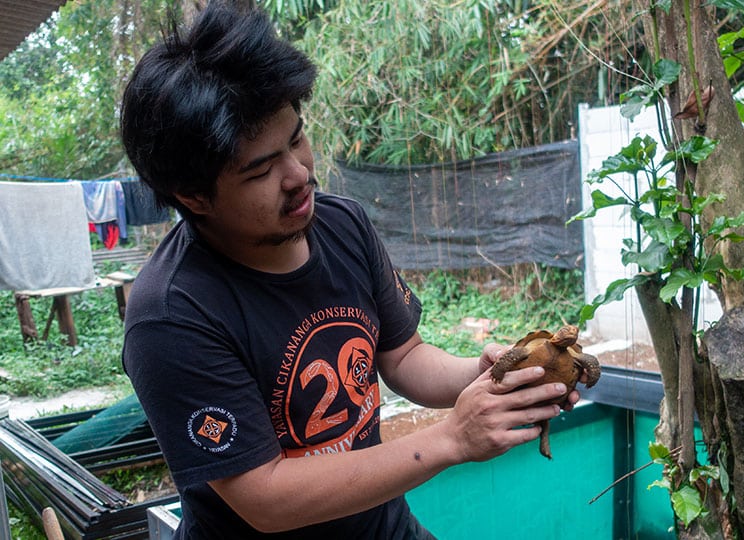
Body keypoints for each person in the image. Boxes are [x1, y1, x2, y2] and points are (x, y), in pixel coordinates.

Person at [119, 2, 581, 538]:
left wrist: (485, 375)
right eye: (261, 169)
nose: (298, 175)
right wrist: (451, 438)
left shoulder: (343, 224)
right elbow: (265, 497)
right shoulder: (172, 316)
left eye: (295, 139)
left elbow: (403, 355)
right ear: (194, 196)